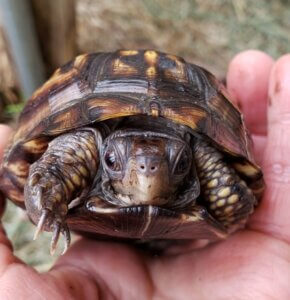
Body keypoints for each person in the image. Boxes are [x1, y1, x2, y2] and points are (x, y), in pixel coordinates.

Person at [0, 50, 289, 299]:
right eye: (113, 161)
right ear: (105, 154)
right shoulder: (84, 145)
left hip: (183, 253)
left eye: (178, 164)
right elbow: (55, 163)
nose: (146, 174)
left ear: (188, 159)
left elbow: (232, 194)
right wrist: (49, 189)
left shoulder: (201, 155)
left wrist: (231, 206)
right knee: (75, 153)